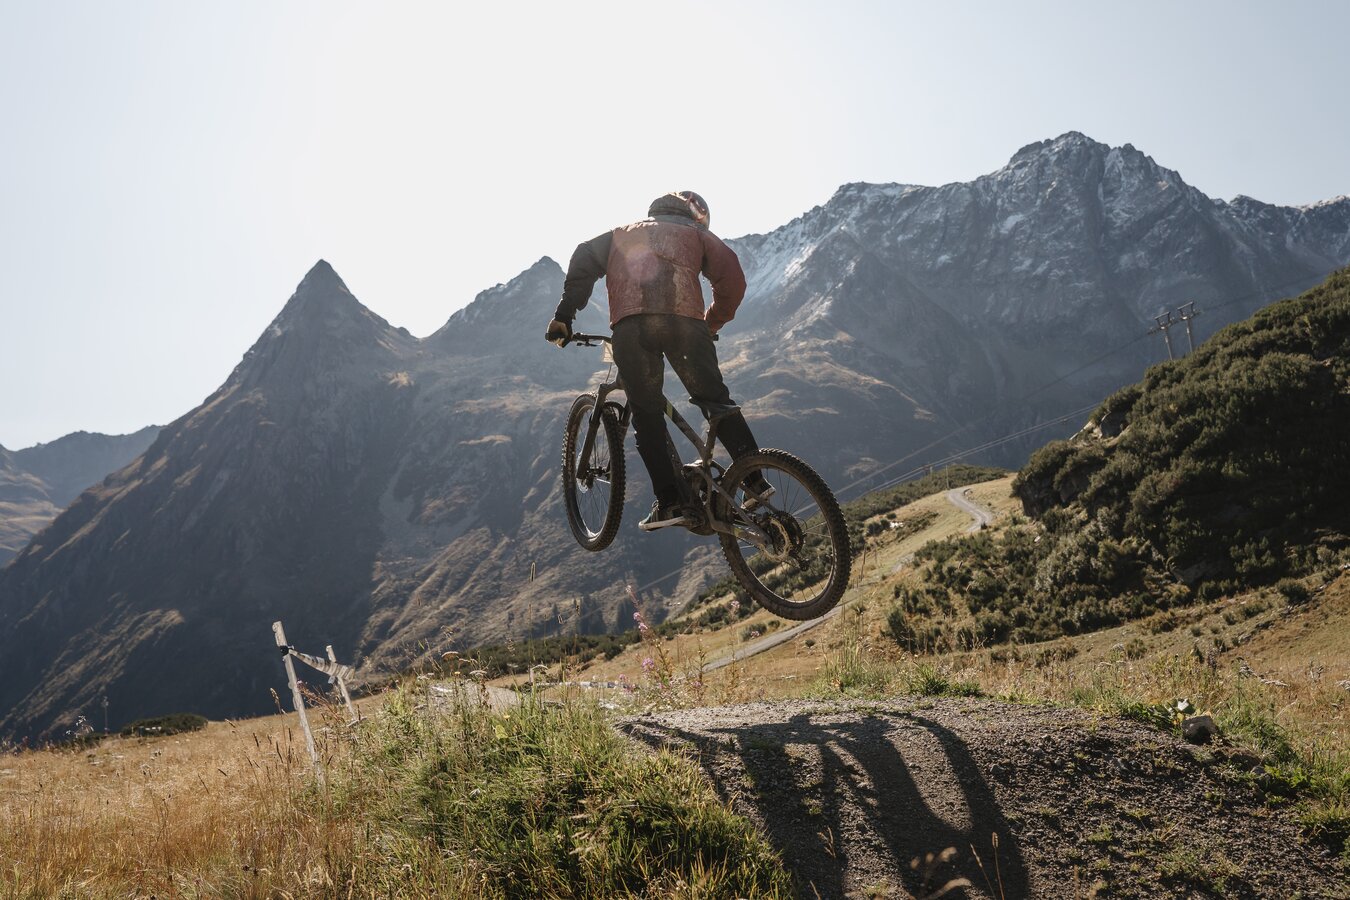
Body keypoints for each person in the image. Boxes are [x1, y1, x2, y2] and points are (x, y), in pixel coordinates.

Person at [546, 190, 772, 531]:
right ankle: (755, 481)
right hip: (686, 326)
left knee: (647, 414)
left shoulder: (622, 233)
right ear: (697, 216)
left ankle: (670, 503)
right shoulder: (697, 234)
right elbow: (734, 282)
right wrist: (710, 324)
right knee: (716, 401)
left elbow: (583, 257)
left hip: (632, 328)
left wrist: (564, 315)